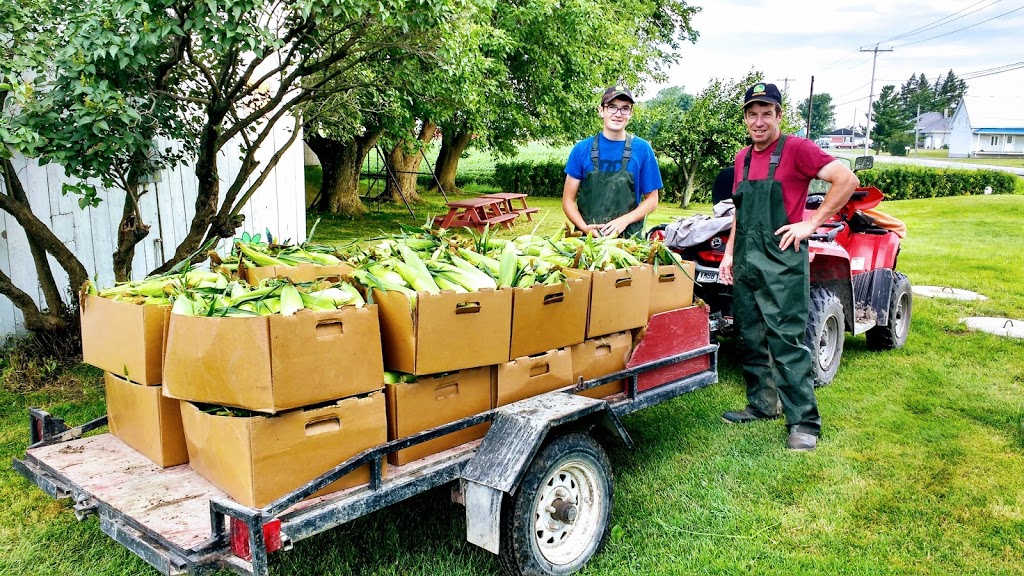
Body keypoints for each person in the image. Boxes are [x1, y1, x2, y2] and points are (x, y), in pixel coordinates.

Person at [718, 82, 859, 452]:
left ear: (779, 115)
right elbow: (740, 211)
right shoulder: (741, 158)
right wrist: (730, 254)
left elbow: (846, 180)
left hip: (781, 261)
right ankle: (762, 405)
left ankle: (804, 422)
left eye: (767, 113)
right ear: (746, 118)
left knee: (787, 341)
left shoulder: (797, 149)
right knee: (750, 335)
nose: (759, 120)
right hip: (747, 259)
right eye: (753, 113)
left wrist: (811, 223)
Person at [562, 85, 663, 238]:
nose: (618, 114)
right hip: (586, 241)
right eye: (612, 107)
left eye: (625, 108)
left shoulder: (642, 149)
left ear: (631, 113)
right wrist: (584, 228)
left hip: (628, 241)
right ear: (601, 110)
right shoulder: (582, 149)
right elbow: (568, 200)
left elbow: (652, 199)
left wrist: (624, 221)